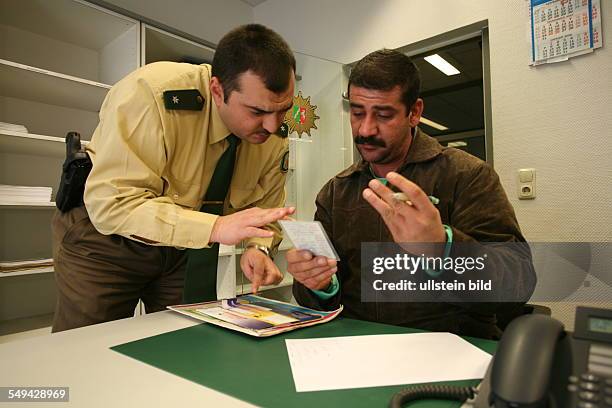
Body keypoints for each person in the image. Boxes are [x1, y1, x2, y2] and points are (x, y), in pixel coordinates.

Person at [52, 24, 296, 332]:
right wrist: (218, 227)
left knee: (186, 341)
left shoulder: (273, 136)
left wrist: (257, 248)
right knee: (86, 350)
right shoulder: (151, 94)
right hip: (105, 241)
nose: (273, 126)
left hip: (185, 246)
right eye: (257, 111)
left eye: (283, 110)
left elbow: (265, 210)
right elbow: (113, 205)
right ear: (218, 90)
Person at [287, 49, 535, 339]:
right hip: (359, 351)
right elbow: (317, 300)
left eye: (383, 114)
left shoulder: (466, 175)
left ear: (414, 112)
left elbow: (518, 284)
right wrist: (316, 283)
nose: (365, 129)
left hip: (451, 352)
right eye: (356, 113)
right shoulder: (335, 192)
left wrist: (443, 249)